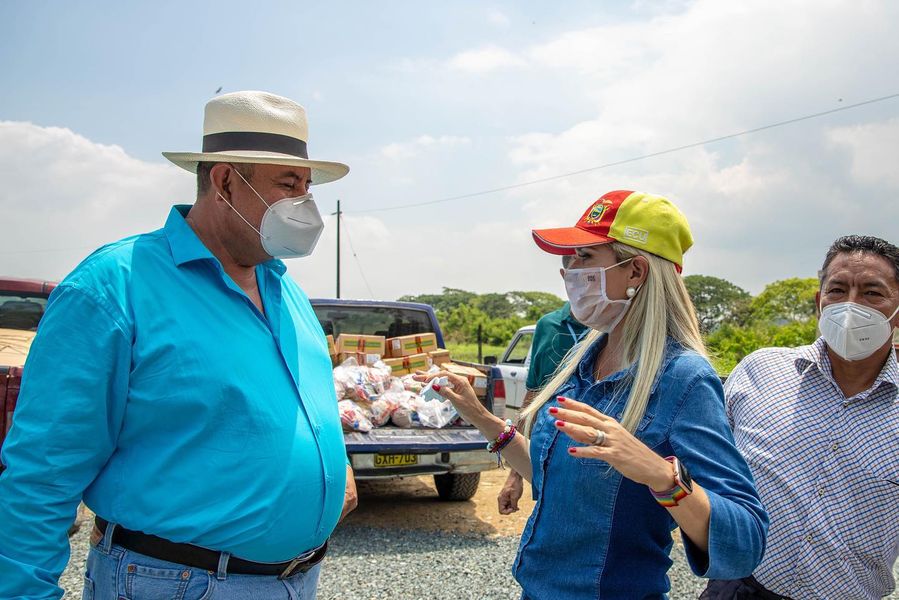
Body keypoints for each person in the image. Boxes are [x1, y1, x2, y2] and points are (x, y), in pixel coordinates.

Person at [0, 91, 356, 600]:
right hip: (176, 583)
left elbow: (293, 402)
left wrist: (331, 464)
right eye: (287, 184)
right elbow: (43, 470)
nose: (305, 203)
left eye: (307, 186)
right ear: (225, 180)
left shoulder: (284, 288)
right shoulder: (114, 286)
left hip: (297, 581)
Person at [418, 190, 768, 600]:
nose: (569, 271)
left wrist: (661, 476)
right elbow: (554, 478)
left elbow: (745, 542)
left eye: (584, 257)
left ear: (635, 271)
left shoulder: (683, 378)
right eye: (569, 259)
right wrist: (478, 414)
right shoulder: (581, 361)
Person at [703, 235, 899, 600]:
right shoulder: (760, 372)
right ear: (818, 302)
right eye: (837, 290)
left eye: (872, 293)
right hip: (738, 588)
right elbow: (705, 462)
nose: (851, 305)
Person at [497, 256, 587, 515]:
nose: (586, 283)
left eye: (593, 274)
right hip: (554, 456)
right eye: (577, 274)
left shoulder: (615, 326)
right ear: (564, 275)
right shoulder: (548, 326)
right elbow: (533, 400)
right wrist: (515, 475)